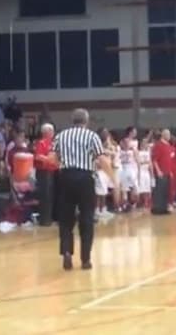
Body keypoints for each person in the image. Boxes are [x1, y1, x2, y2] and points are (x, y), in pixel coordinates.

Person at [53, 109, 108, 271]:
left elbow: (53, 158)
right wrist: (113, 178)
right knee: (87, 218)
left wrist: (63, 167)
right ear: (86, 121)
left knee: (66, 219)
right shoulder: (92, 136)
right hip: (85, 178)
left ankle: (67, 252)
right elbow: (101, 158)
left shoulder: (61, 136)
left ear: (72, 120)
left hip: (66, 176)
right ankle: (85, 259)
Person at [33, 123, 57, 226]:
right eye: (51, 131)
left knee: (52, 195)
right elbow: (38, 156)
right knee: (45, 196)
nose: (52, 133)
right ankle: (44, 219)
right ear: (46, 132)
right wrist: (48, 159)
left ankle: (52, 217)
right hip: (44, 172)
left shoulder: (53, 143)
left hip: (53, 172)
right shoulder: (41, 143)